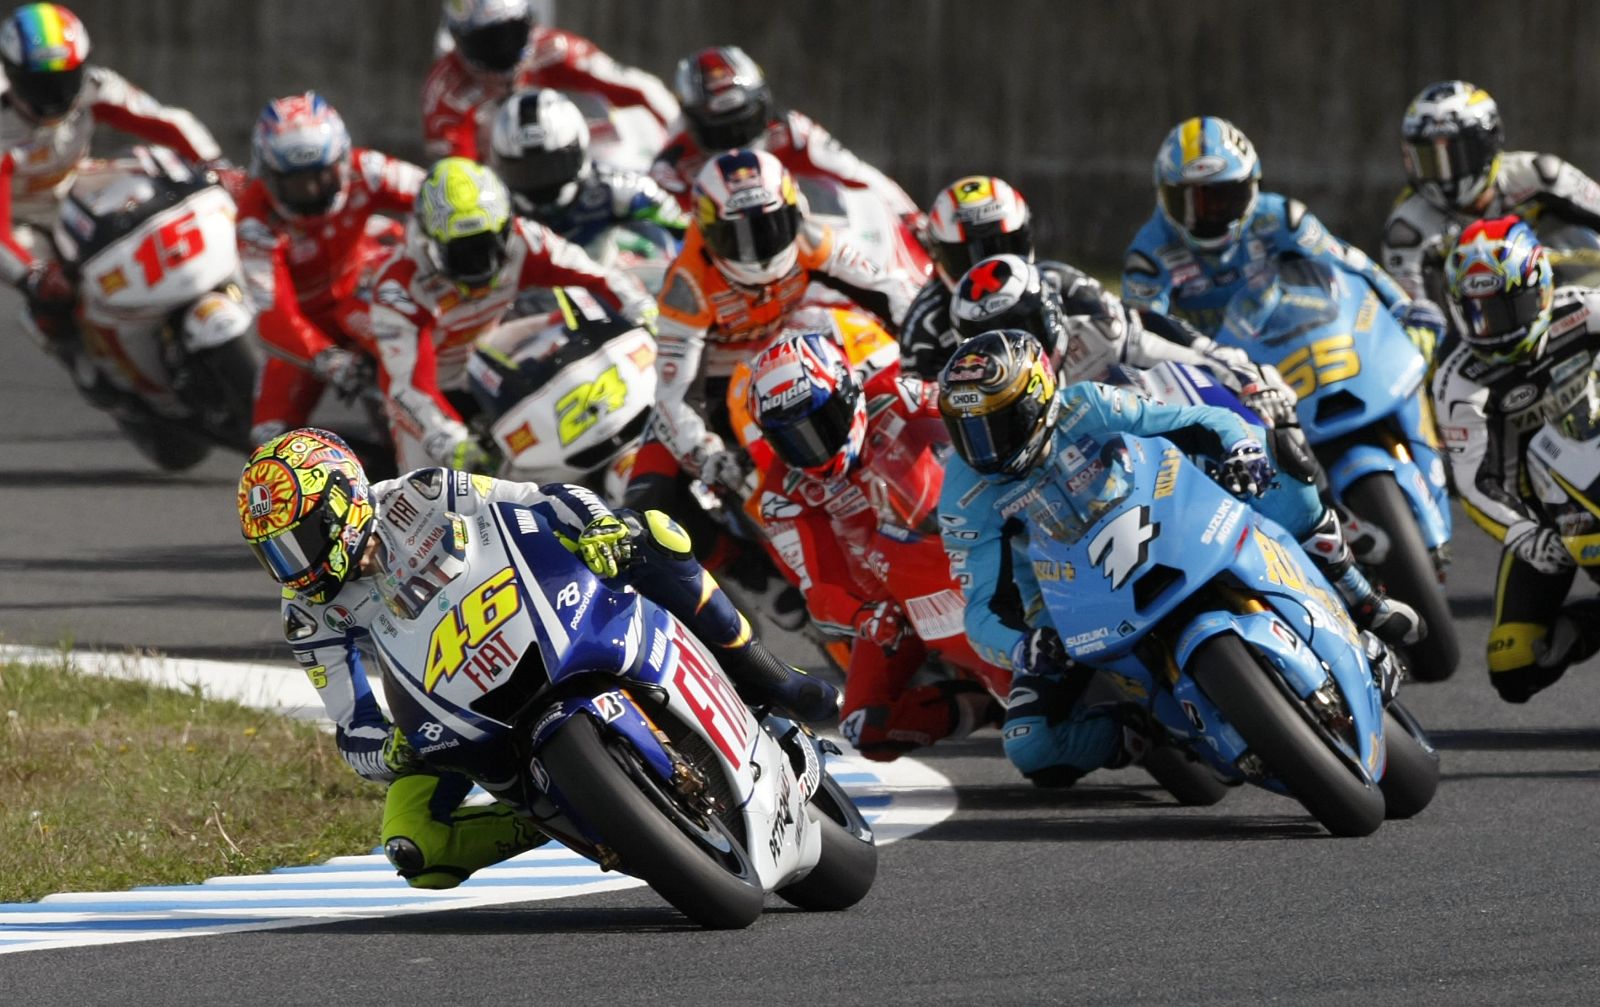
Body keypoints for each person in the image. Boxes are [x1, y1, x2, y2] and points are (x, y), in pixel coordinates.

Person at [237, 427, 837, 889]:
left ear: (343, 502)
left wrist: (599, 526)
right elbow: (352, 725)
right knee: (414, 847)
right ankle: (570, 815)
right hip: (450, 700)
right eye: (276, 555)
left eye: (300, 541)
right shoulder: (306, 613)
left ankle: (764, 672)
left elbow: (545, 499)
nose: (295, 567)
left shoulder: (422, 492)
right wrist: (388, 750)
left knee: (651, 533)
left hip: (535, 613)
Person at [936, 330, 1416, 785]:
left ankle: (1358, 594)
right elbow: (982, 607)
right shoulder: (963, 497)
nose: (986, 448)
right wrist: (1023, 645)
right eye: (969, 433)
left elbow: (1197, 421)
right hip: (1063, 602)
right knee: (1029, 746)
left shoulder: (1089, 406)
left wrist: (1241, 447)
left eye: (999, 425)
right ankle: (1145, 735)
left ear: (1039, 399)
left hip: (1157, 521)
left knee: (1282, 461)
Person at [948, 252, 1395, 567]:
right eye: (985, 338)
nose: (1007, 348)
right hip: (1088, 502)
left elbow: (1193, 352)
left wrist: (1251, 384)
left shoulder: (1100, 328)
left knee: (1263, 418)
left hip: (1158, 435)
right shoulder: (977, 392)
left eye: (1017, 328)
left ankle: (1321, 515)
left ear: (1048, 316)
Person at [745, 331, 1007, 760]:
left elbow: (971, 407)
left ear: (849, 393)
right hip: (893, 602)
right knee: (864, 726)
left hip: (963, 536)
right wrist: (866, 616)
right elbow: (819, 589)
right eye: (794, 437)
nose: (814, 445)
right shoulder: (782, 496)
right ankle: (980, 707)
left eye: (822, 421)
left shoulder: (894, 396)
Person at [626, 147, 919, 507]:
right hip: (716, 394)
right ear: (707, 231)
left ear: (795, 211)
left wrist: (922, 346)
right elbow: (673, 397)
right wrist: (707, 454)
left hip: (794, 360)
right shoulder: (688, 284)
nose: (758, 250)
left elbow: (889, 291)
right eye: (738, 236)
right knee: (646, 495)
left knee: (834, 322)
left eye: (771, 226)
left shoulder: (809, 238)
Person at [365, 156, 654, 472]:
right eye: (463, 251)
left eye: (489, 244)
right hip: (432, 383)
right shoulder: (399, 286)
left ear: (505, 226)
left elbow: (598, 276)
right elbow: (407, 383)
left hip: (489, 356)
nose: (481, 263)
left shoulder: (524, 239)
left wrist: (645, 312)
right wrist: (449, 439)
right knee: (428, 484)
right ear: (431, 242)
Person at [0, 2, 220, 370]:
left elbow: (167, 123)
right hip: (19, 216)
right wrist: (32, 274)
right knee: (54, 291)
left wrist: (215, 164)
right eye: (40, 83)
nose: (56, 93)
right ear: (13, 75)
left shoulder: (95, 87)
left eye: (65, 77)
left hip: (73, 181)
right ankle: (76, 348)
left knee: (162, 177)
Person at [1433, 216, 1600, 702]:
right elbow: (1472, 482)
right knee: (1515, 666)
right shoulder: (1458, 379)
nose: (1495, 329)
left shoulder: (1584, 313)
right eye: (1479, 314)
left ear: (1541, 288)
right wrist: (1524, 535)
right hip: (1543, 521)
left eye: (1509, 309)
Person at [1122, 115, 1446, 362]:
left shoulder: (1281, 217)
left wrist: (1403, 308)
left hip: (1292, 347)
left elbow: (1349, 262)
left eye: (1225, 197)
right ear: (1163, 197)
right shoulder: (1151, 250)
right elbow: (1143, 333)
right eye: (1189, 202)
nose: (1209, 215)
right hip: (1210, 368)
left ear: (1252, 185)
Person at [239, 92, 426, 446]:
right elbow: (272, 312)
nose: (311, 191)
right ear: (268, 174)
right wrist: (326, 358)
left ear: (340, 161)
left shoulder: (367, 169)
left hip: (364, 286)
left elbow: (437, 192)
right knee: (268, 441)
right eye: (295, 182)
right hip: (304, 325)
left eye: (321, 177)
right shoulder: (255, 220)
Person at [647, 45, 919, 226]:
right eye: (720, 129)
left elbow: (860, 175)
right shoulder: (670, 168)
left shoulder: (792, 132)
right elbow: (664, 234)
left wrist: (913, 219)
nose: (736, 139)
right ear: (691, 121)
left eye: (744, 120)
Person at [1384, 80, 1600, 302]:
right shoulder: (1407, 227)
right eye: (1430, 160)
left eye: (1456, 156)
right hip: (1476, 327)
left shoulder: (1542, 174)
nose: (1444, 176)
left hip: (1558, 302)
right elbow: (1413, 314)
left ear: (1487, 145)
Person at [421, 0, 677, 162]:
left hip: (579, 172)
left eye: (511, 34)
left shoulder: (553, 48)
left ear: (528, 24)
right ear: (458, 39)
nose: (502, 50)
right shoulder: (445, 93)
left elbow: (643, 88)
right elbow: (457, 173)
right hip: (504, 192)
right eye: (486, 42)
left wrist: (681, 137)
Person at [486, 86, 686, 244]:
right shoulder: (492, 207)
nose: (541, 182)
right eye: (526, 171)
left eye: (552, 167)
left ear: (579, 148)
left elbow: (683, 232)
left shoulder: (619, 189)